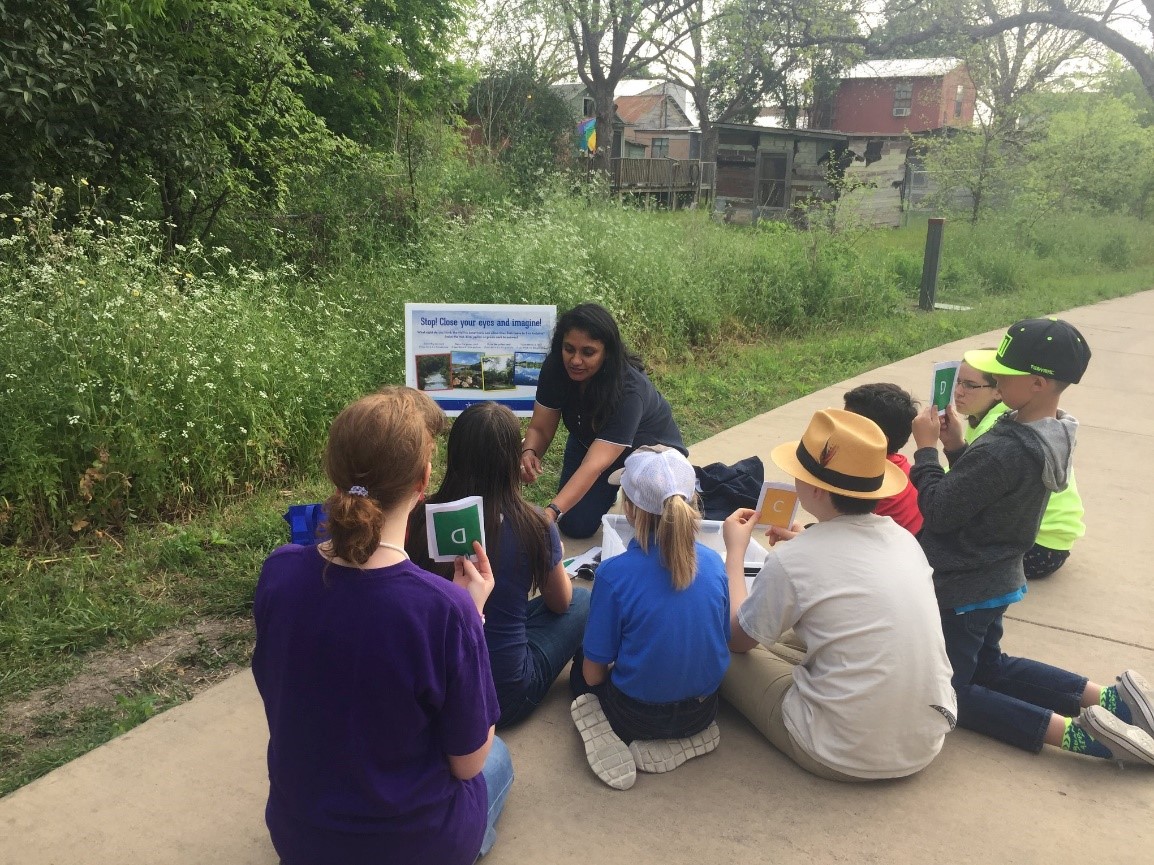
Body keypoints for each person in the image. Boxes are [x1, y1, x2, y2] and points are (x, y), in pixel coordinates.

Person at [252, 388, 512, 865]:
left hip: (301, 840)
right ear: (423, 480)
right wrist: (471, 618)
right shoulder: (446, 610)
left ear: (334, 469)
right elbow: (467, 761)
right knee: (498, 760)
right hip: (413, 847)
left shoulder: (279, 572)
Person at [910, 318, 1154, 765]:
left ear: (1037, 383)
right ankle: (1113, 702)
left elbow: (942, 510)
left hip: (965, 585)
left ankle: (1087, 739)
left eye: (1005, 372)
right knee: (991, 666)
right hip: (996, 577)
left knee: (951, 692)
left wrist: (925, 451)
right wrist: (957, 450)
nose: (996, 378)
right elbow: (990, 495)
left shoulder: (1005, 446)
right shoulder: (1051, 431)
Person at [721, 409, 957, 781]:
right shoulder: (903, 538)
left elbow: (737, 639)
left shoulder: (795, 561)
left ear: (814, 488)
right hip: (923, 743)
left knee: (716, 641)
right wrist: (809, 543)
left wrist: (735, 554)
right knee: (796, 631)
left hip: (837, 751)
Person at [408, 401, 591, 728]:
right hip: (504, 697)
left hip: (437, 687)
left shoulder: (420, 516)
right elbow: (560, 603)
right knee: (583, 601)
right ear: (512, 458)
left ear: (454, 455)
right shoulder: (534, 523)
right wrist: (555, 557)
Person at [569, 446, 729, 790]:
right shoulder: (715, 563)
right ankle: (686, 737)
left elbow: (594, 675)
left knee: (581, 665)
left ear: (629, 509)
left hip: (636, 717)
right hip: (704, 709)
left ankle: (608, 730)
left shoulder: (613, 574)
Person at [520, 303, 687, 538]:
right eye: (569, 349)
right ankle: (610, 491)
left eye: (588, 352)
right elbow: (539, 428)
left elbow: (593, 465)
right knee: (574, 526)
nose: (575, 360)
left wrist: (550, 513)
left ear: (607, 352)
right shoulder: (555, 367)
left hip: (649, 453)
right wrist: (529, 452)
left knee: (656, 532)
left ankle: (681, 483)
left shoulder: (629, 390)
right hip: (589, 441)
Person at [950, 356, 1086, 579]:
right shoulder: (1003, 418)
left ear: (997, 391)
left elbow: (959, 493)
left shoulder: (998, 430)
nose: (959, 392)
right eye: (958, 381)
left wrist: (925, 457)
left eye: (970, 385)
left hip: (1038, 548)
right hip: (1050, 540)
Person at [842, 382, 923, 534]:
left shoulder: (868, 483)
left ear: (877, 440)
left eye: (847, 425)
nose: (838, 428)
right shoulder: (900, 464)